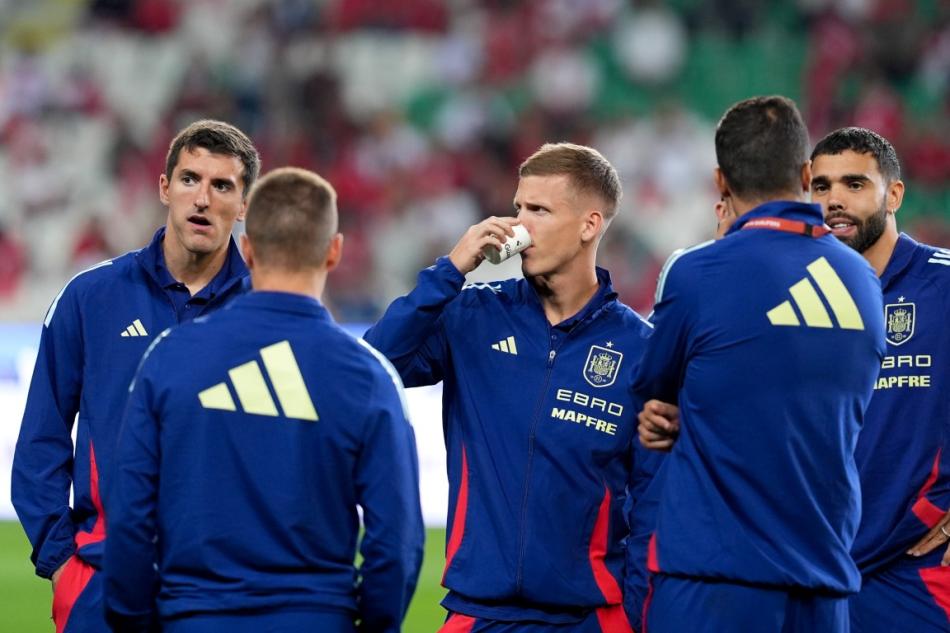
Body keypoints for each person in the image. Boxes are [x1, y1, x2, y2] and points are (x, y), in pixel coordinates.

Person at [103, 166, 424, 633]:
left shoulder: (171, 357)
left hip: (194, 618)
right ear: (334, 251)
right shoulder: (369, 377)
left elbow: (129, 515)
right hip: (315, 619)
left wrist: (134, 621)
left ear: (248, 249)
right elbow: (396, 540)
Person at [365, 142, 657, 633]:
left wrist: (631, 615)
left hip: (588, 618)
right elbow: (375, 370)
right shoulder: (473, 314)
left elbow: (654, 501)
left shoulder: (640, 348)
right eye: (518, 207)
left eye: (539, 211)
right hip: (478, 614)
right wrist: (448, 272)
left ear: (589, 225)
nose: (518, 225)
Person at [632, 96, 885, 633]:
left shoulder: (697, 274)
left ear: (720, 183)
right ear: (805, 174)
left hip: (715, 584)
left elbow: (652, 389)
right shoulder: (863, 280)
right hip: (824, 585)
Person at [12, 119, 259, 633]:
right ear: (165, 187)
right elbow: (40, 440)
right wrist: (61, 565)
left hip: (229, 593)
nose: (202, 199)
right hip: (102, 585)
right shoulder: (91, 297)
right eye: (190, 179)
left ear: (244, 205)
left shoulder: (269, 309)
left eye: (222, 186)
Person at [809, 127, 950, 632]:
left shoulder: (943, 284)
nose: (835, 200)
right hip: (816, 571)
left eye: (854, 184)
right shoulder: (798, 299)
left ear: (894, 195)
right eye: (821, 186)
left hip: (917, 571)